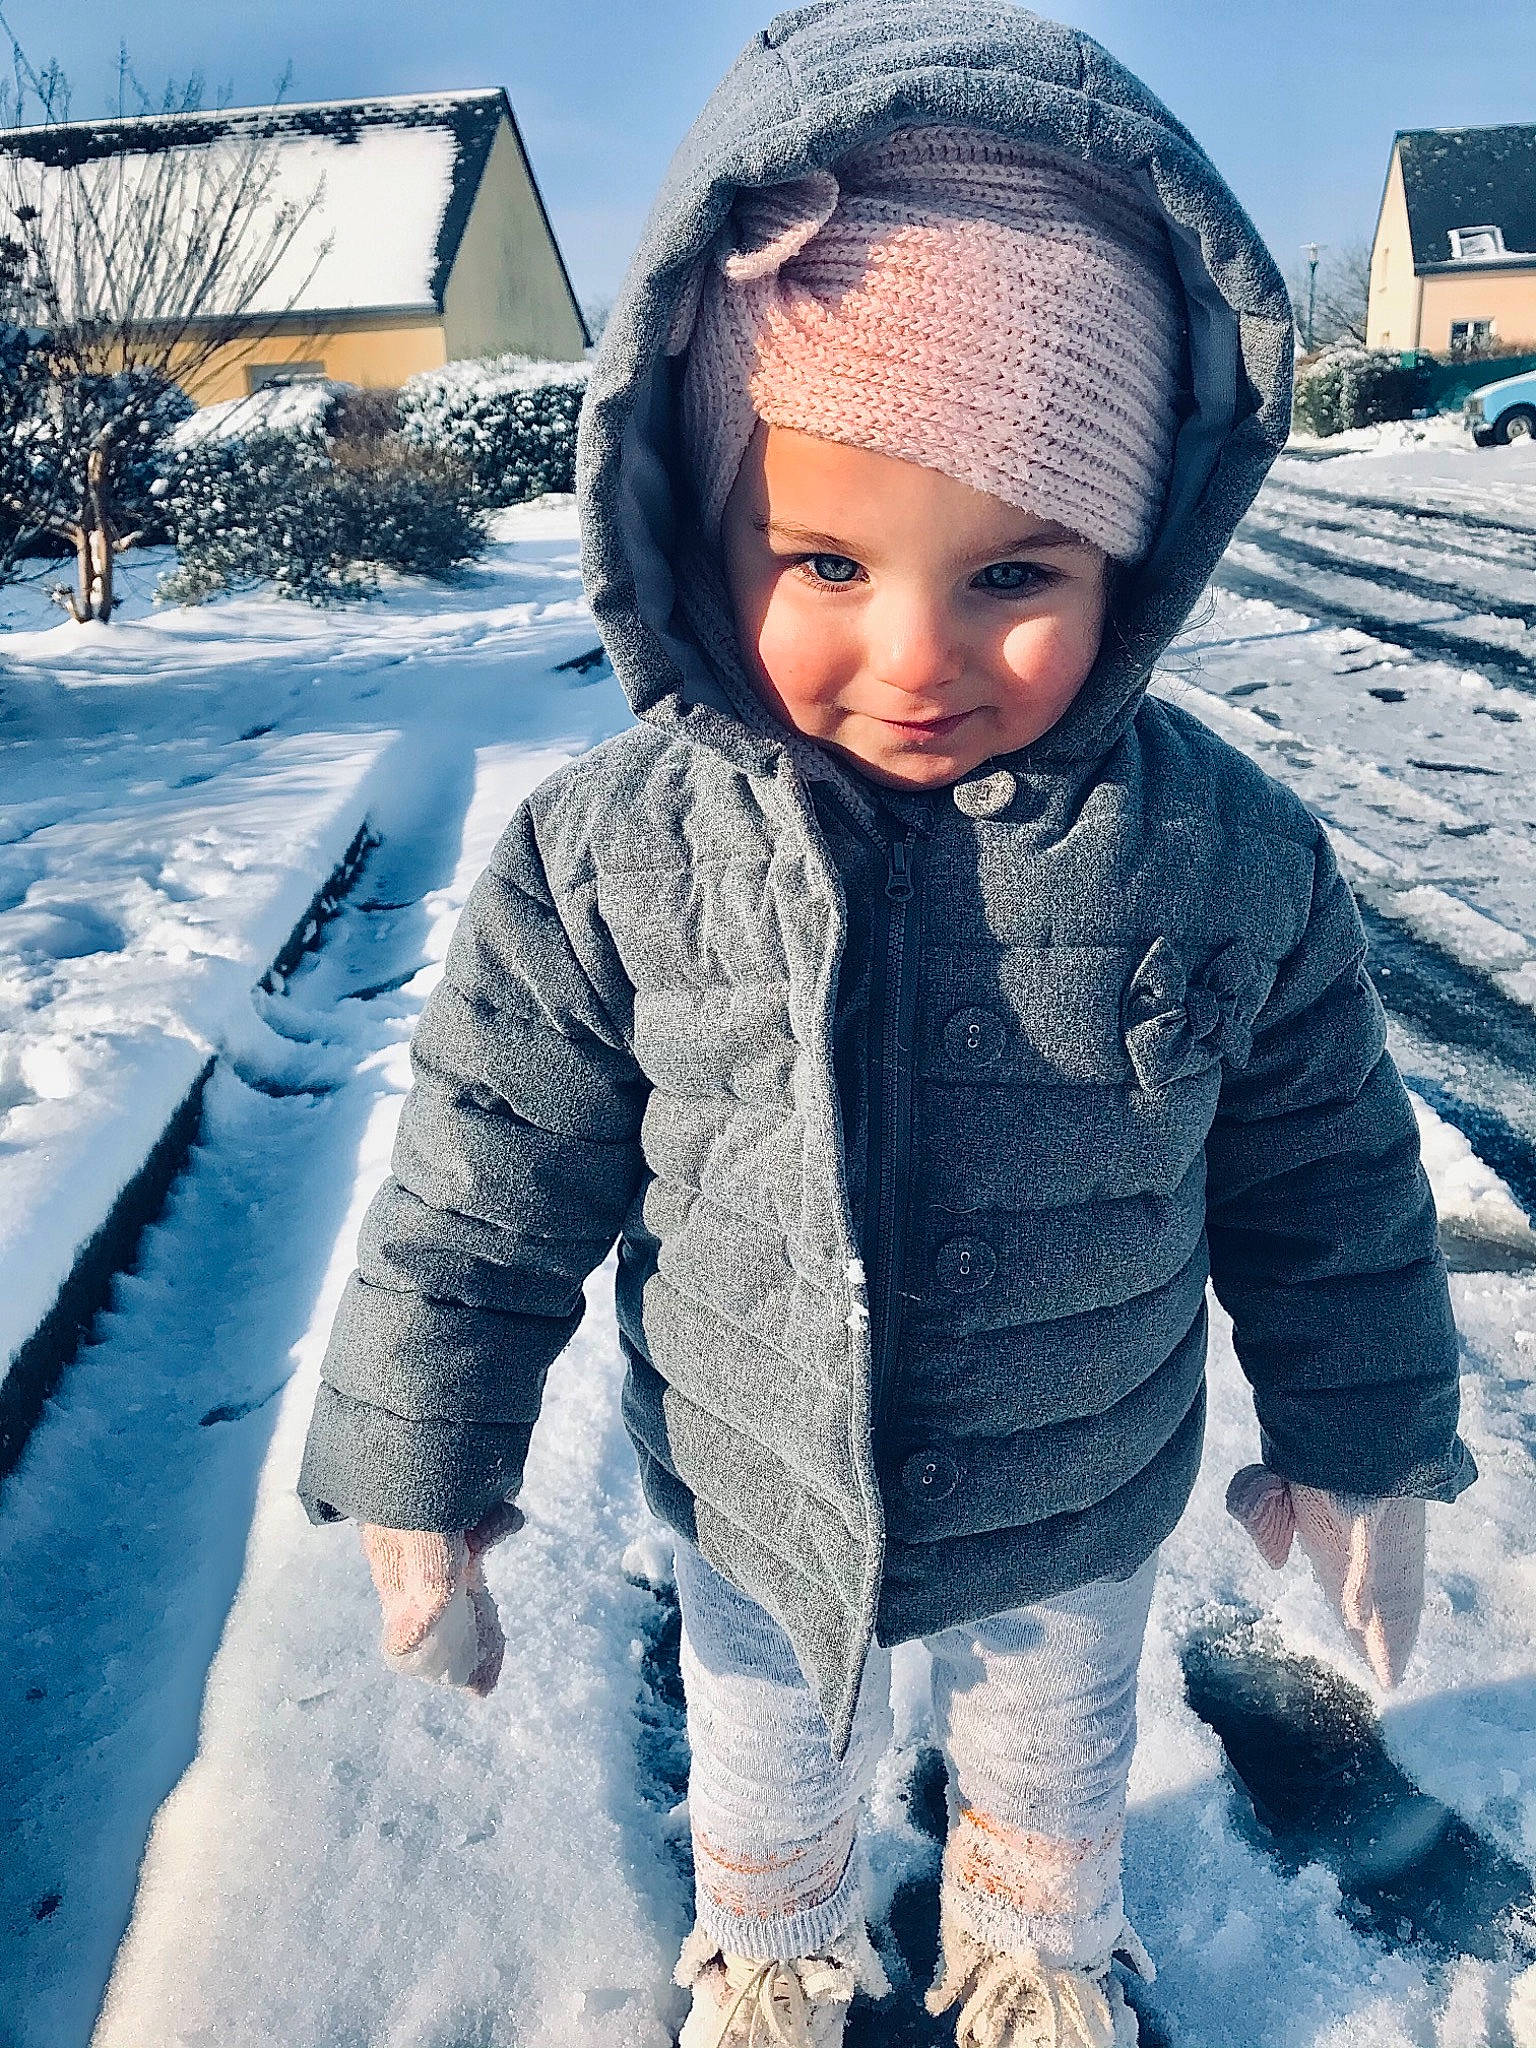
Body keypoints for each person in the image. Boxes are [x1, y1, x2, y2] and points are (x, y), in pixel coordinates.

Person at [298, 6, 1477, 2044]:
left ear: (1136, 557)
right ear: (701, 528)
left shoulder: (1219, 853)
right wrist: (425, 1453)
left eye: (1014, 568)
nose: (915, 655)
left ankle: (1033, 1944)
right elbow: (482, 1179)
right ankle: (773, 1943)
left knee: (1048, 1759)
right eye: (826, 559)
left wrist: (1363, 1442)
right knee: (771, 1754)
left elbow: (1328, 1183)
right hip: (758, 1470)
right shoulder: (614, 857)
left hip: (1083, 1477)